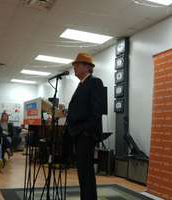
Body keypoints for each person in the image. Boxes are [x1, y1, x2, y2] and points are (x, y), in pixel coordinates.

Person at [66, 53, 105, 200]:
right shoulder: (81, 84)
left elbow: (97, 111)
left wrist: (85, 130)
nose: (74, 67)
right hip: (78, 134)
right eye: (74, 65)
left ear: (87, 67)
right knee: (82, 172)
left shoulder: (95, 82)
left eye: (77, 64)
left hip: (85, 135)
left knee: (86, 173)